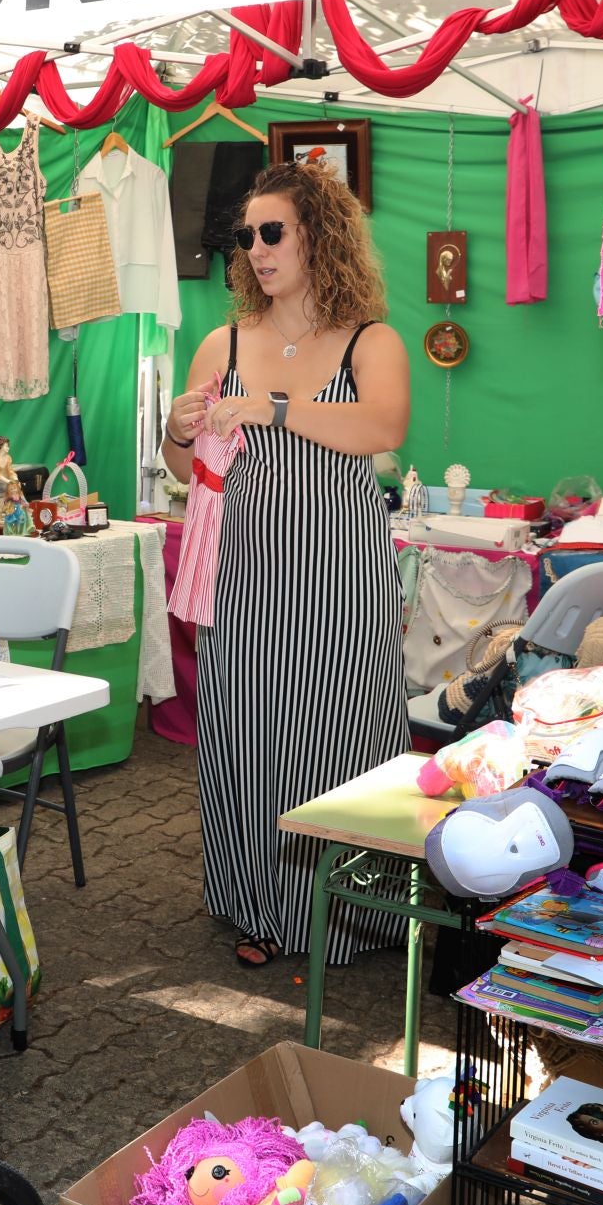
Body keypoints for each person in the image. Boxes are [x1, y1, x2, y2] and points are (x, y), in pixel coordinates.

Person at [158, 161, 412, 970]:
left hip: (341, 573)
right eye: (246, 237)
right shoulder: (222, 341)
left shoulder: (372, 340)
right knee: (250, 732)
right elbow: (180, 467)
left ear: (320, 236)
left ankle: (355, 913)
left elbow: (381, 427)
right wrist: (175, 425)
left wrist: (269, 407)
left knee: (343, 733)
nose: (257, 250)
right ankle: (257, 904)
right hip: (247, 574)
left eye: (274, 232)